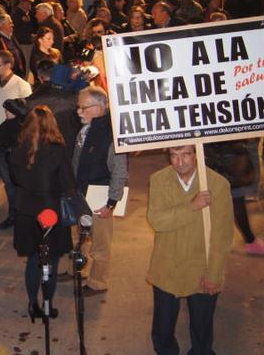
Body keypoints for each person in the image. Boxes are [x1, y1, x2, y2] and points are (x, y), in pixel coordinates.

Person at [147, 145, 234, 355]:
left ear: (197, 155)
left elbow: (222, 235)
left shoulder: (217, 184)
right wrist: (191, 206)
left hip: (201, 267)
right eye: (174, 155)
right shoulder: (159, 179)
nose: (179, 162)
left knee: (202, 327)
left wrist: (214, 273)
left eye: (185, 154)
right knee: (162, 327)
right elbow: (157, 220)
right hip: (167, 265)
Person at [8, 106, 75, 322]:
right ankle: (48, 304)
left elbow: (14, 179)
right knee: (51, 261)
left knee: (33, 259)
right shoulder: (57, 148)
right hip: (50, 212)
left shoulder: (18, 148)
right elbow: (68, 182)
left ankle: (32, 303)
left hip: (26, 210)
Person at [72, 86, 128, 296]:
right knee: (81, 236)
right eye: (78, 107)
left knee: (100, 243)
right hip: (81, 194)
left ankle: (98, 282)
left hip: (100, 197)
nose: (78, 112)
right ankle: (80, 270)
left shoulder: (111, 135)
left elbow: (120, 171)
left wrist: (112, 202)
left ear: (99, 108)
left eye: (83, 107)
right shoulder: (85, 130)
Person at [0, 51, 33, 229]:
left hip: (16, 142)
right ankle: (14, 213)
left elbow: (28, 114)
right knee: (7, 182)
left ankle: (21, 214)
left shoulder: (22, 86)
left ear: (8, 65)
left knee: (18, 182)